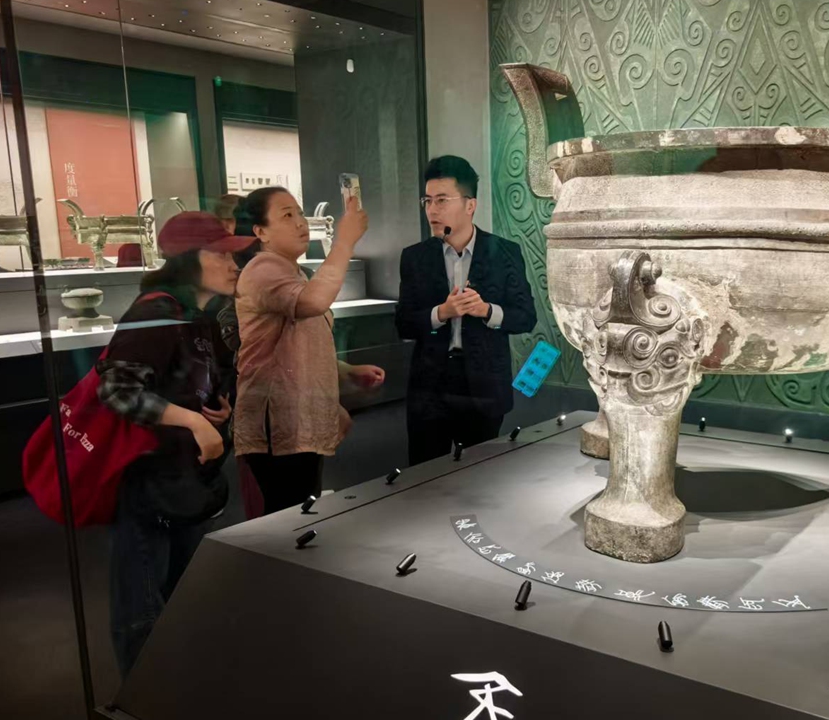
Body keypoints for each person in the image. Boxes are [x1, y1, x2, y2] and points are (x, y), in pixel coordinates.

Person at [98, 212, 253, 676]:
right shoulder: (156, 311)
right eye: (221, 254)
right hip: (151, 481)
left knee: (185, 595)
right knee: (142, 605)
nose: (234, 264)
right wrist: (191, 421)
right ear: (189, 260)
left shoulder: (197, 317)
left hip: (185, 482)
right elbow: (118, 390)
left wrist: (215, 413)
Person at [233, 186, 385, 514]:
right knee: (286, 518)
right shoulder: (263, 269)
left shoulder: (293, 271)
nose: (301, 222)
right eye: (287, 215)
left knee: (300, 510)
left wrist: (345, 371)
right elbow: (313, 303)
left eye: (300, 213)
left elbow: (299, 345)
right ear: (261, 232)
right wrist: (344, 242)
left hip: (297, 418)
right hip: (277, 423)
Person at [397, 156, 536, 466]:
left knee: (482, 477)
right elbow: (404, 324)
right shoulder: (415, 258)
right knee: (423, 478)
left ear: (470, 205)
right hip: (430, 386)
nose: (432, 210)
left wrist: (487, 310)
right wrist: (440, 314)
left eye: (442, 200)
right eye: (428, 200)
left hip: (484, 385)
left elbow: (526, 316)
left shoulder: (504, 253)